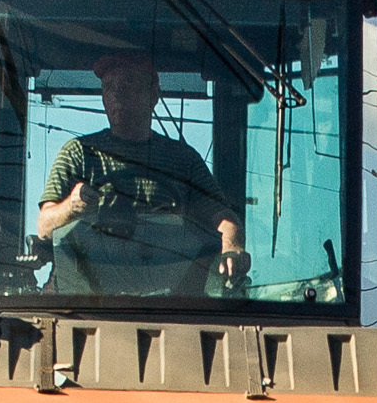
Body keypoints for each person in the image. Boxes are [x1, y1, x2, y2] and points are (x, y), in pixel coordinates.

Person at [34, 50, 244, 297]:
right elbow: (45, 227)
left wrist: (232, 248)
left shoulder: (183, 159)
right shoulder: (79, 153)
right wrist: (72, 206)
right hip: (85, 305)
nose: (116, 95)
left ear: (154, 94)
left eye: (127, 84)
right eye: (109, 87)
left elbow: (223, 217)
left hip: (174, 305)